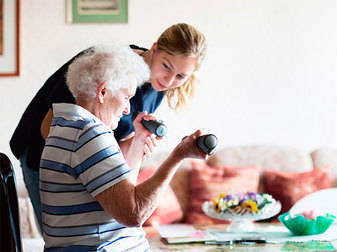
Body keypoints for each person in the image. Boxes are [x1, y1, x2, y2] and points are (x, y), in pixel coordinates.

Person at [9, 23, 207, 231]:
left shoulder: (158, 88)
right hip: (42, 152)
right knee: (64, 233)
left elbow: (115, 143)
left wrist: (136, 142)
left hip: (85, 163)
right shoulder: (107, 65)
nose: (169, 80)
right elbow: (52, 127)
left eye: (180, 77)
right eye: (166, 66)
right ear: (155, 48)